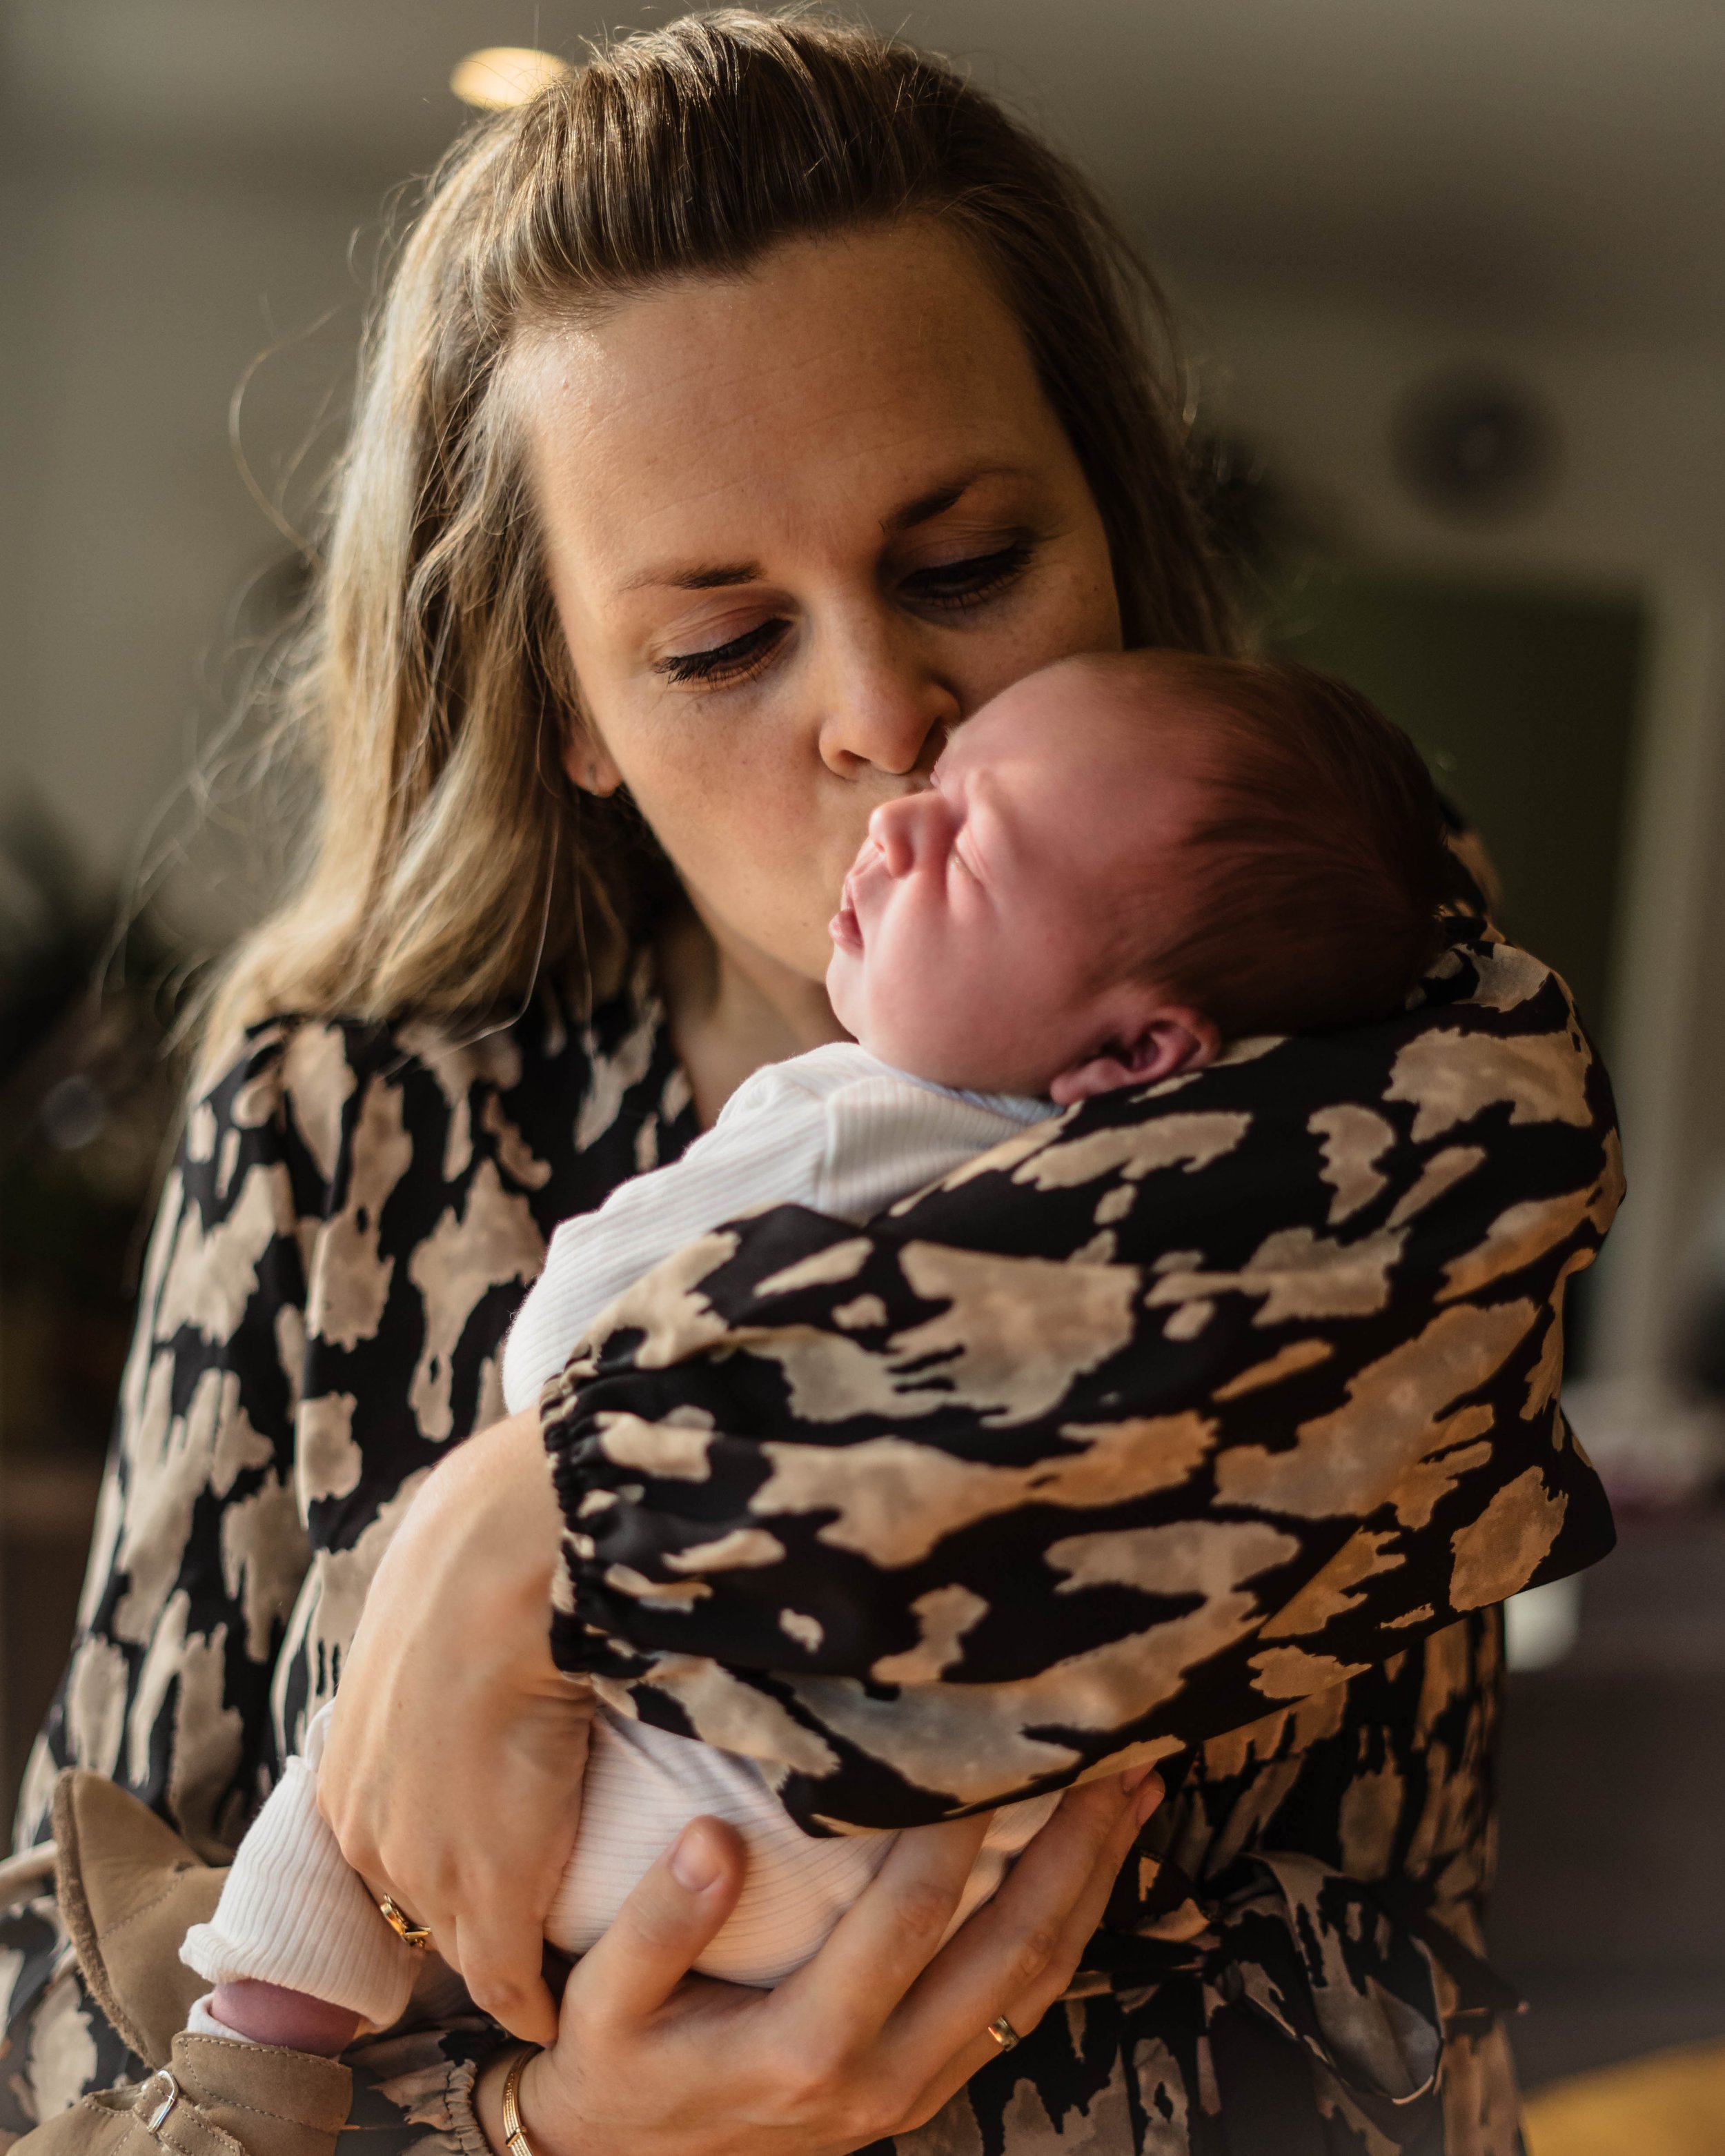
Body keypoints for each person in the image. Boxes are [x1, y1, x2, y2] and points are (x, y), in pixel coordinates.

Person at [1, 17, 1617, 2156]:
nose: (883, 717)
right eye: (716, 644)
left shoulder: (1381, 1057)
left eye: (962, 567)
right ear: (566, 701)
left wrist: (544, 1509)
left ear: (1114, 534)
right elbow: (66, 2004)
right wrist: (533, 2128)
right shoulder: (339, 1119)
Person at [177, 649, 1452, 2045]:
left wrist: (503, 1484)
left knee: (367, 1727)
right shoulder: (1239, 1236)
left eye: (971, 844)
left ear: (1136, 1053)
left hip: (679, 1796)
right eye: (717, 642)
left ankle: (269, 2021)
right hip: (908, 1869)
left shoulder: (855, 1117)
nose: (897, 801)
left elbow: (573, 1332)